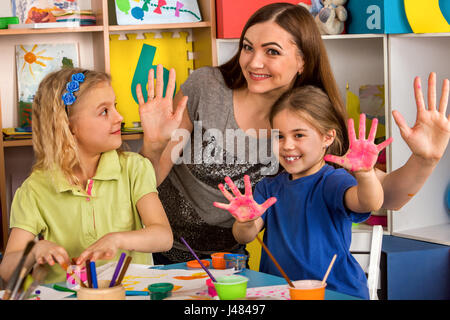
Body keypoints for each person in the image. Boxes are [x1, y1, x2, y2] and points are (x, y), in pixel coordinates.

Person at [137, 3, 450, 264]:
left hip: (230, 262)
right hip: (155, 248)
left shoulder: (309, 120)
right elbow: (145, 181)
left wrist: (425, 159)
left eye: (272, 52)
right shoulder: (206, 87)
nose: (253, 61)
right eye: (248, 47)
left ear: (303, 60)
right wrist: (153, 146)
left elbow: (384, 198)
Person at [213, 86, 392, 299]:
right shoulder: (268, 187)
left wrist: (365, 173)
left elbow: (368, 202)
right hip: (279, 292)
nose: (287, 145)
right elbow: (244, 235)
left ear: (327, 137)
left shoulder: (333, 181)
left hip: (334, 292)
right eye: (279, 136)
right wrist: (244, 222)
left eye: (299, 135)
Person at [0, 68, 173, 284]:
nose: (119, 117)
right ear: (69, 126)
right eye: (104, 111)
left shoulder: (134, 168)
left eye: (115, 107)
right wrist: (34, 250)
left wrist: (117, 239)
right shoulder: (35, 188)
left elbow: (164, 237)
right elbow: (7, 268)